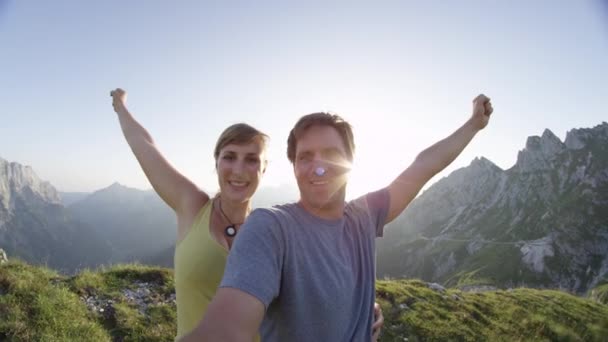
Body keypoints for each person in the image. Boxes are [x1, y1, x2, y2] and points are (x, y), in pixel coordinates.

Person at [180, 94, 494, 341]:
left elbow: (423, 166)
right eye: (305, 157)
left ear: (351, 161)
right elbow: (225, 330)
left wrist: (473, 125)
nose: (318, 167)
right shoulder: (270, 227)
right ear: (294, 167)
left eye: (331, 154)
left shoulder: (365, 216)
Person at [109, 88, 384, 341]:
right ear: (216, 162)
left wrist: (361, 309)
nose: (239, 170)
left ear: (264, 169)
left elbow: (319, 282)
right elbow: (145, 146)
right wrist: (121, 106)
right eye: (229, 156)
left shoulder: (275, 233)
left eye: (252, 159)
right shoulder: (191, 205)